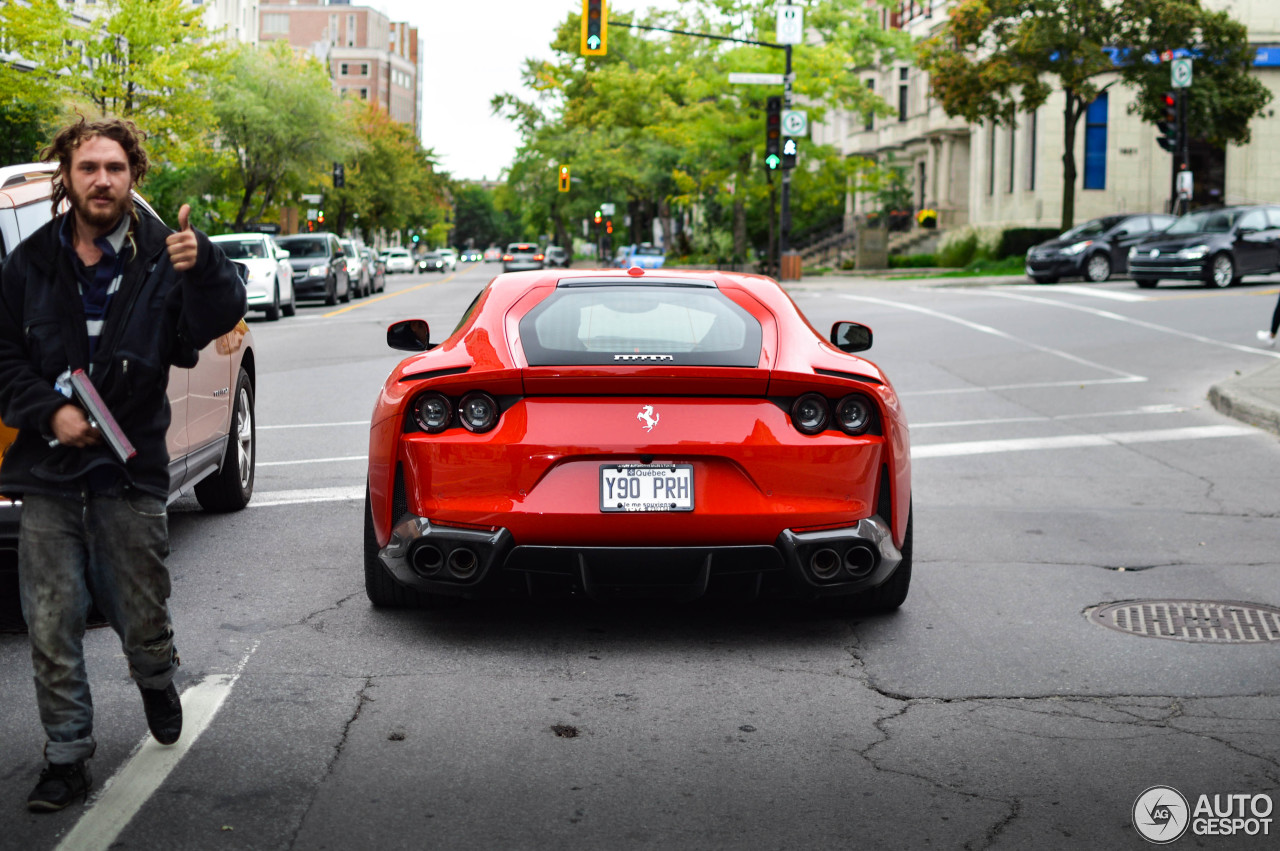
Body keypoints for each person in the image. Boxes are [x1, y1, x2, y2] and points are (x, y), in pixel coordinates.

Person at [0, 117, 246, 812]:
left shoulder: (162, 261)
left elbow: (214, 318)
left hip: (129, 472)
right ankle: (66, 756)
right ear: (68, 177)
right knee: (51, 621)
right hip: (47, 476)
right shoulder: (29, 266)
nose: (101, 179)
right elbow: (3, 356)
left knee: (140, 613)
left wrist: (207, 263)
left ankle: (156, 674)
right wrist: (48, 412)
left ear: (132, 175)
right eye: (88, 168)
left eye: (114, 167)